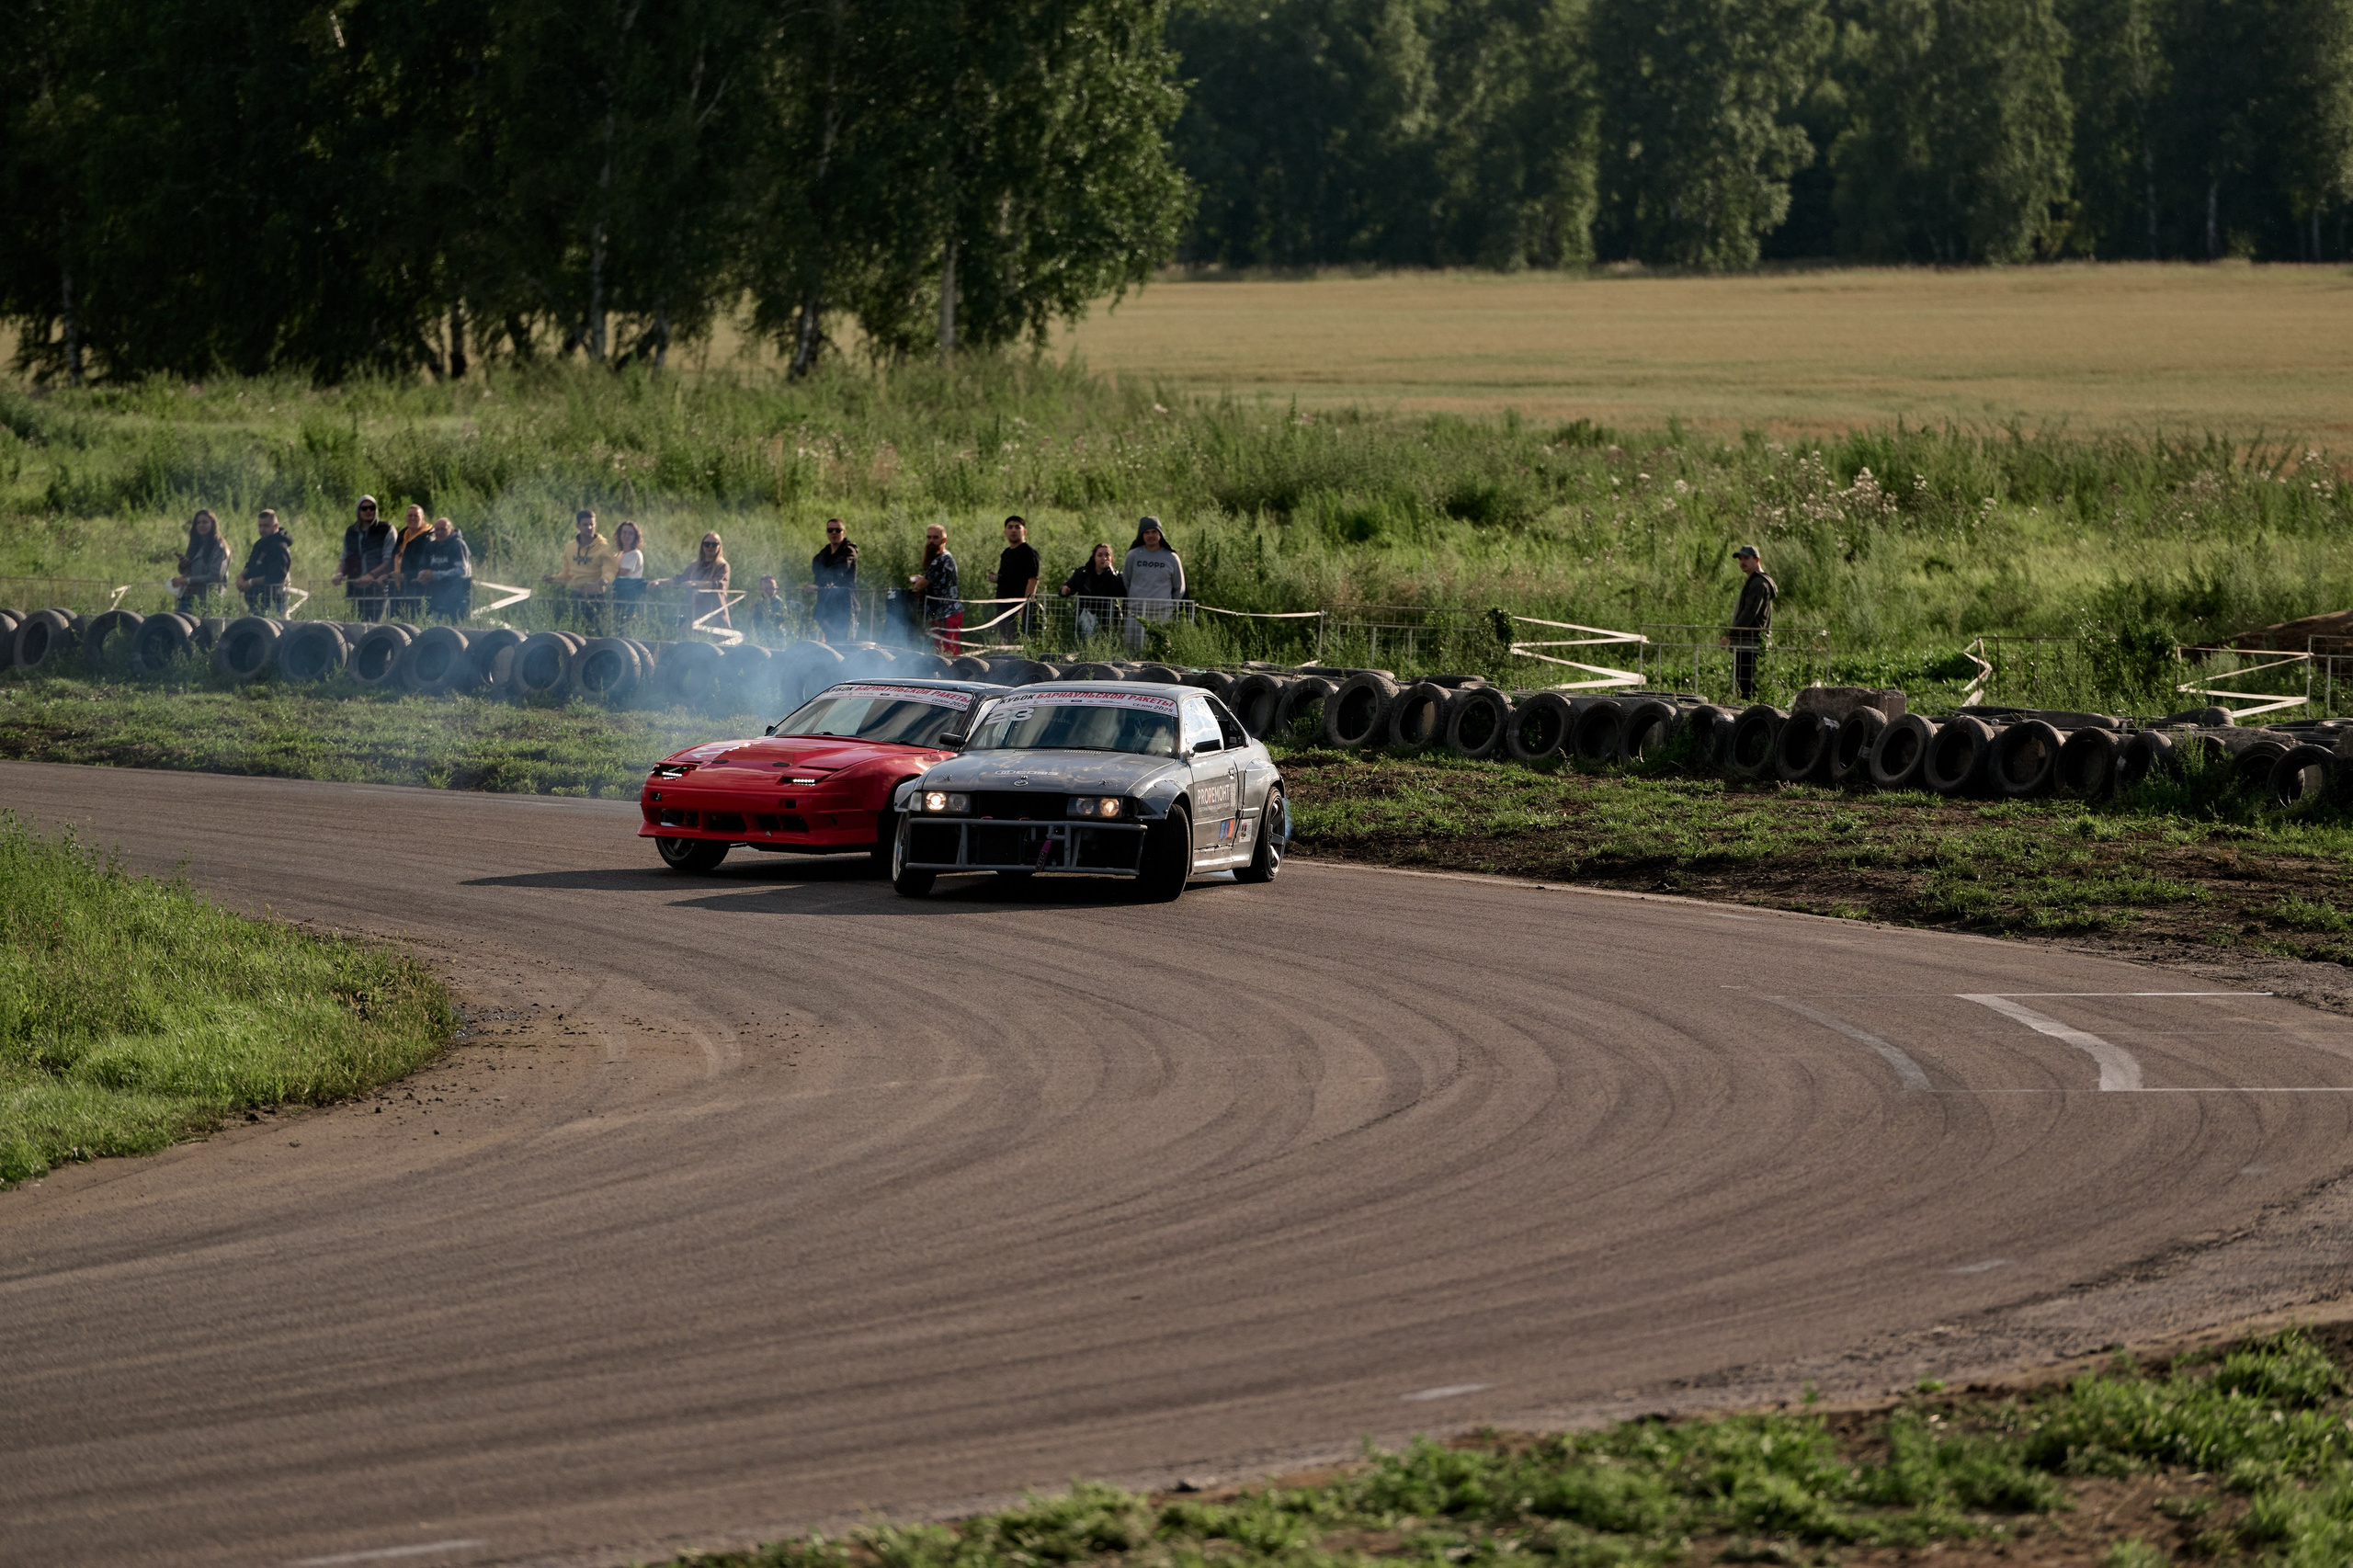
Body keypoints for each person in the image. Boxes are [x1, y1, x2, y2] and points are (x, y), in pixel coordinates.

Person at [543, 509, 620, 631]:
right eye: (585, 524)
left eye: (592, 524)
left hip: (594, 597)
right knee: (573, 630)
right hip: (575, 594)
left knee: (593, 630)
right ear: (578, 526)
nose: (589, 527)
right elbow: (566, 573)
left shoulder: (604, 548)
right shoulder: (570, 547)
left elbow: (610, 570)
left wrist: (604, 579)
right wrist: (553, 578)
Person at [1120, 516, 1185, 650]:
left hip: (1161, 615)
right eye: (1146, 532)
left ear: (1160, 533)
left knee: (1159, 651)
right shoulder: (1133, 555)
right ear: (1141, 535)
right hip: (1136, 614)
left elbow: (1179, 587)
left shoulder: (1172, 558)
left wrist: (1169, 607)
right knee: (1132, 651)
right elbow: (1126, 581)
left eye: (1154, 532)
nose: (1151, 535)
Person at [1725, 544, 1778, 700]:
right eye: (1740, 559)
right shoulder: (1754, 582)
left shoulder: (1759, 583)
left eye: (1746, 558)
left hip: (1751, 642)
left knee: (1746, 683)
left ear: (1757, 560)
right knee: (1743, 681)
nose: (1742, 562)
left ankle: (1750, 713)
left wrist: (1731, 634)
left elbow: (1749, 613)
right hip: (1747, 641)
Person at [335, 495, 398, 621]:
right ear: (358, 511)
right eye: (364, 508)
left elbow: (389, 560)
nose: (368, 511)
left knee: (372, 626)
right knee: (354, 626)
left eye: (372, 508)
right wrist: (339, 573)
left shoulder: (386, 529)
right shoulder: (350, 531)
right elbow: (345, 557)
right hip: (354, 587)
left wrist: (371, 575)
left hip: (377, 587)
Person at [405, 515, 474, 622]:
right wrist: (422, 575)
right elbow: (422, 565)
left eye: (443, 529)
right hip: (435, 596)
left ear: (451, 531)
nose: (439, 533)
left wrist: (436, 575)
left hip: (457, 597)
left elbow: (462, 571)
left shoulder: (458, 545)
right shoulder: (431, 546)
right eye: (437, 530)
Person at [658, 531, 732, 630]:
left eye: (714, 544)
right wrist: (659, 582)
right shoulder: (695, 566)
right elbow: (680, 579)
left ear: (719, 546)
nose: (710, 547)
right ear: (702, 546)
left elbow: (718, 584)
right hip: (694, 614)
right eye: (707, 544)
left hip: (714, 615)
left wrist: (695, 583)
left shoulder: (722, 566)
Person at [908, 523, 961, 654]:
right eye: (929, 537)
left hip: (947, 613)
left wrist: (918, 582)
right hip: (942, 612)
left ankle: (954, 675)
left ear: (944, 540)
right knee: (943, 651)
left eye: (935, 538)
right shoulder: (942, 558)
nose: (931, 541)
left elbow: (919, 586)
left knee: (949, 652)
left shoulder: (942, 559)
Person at [985, 514, 1040, 636]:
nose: (1013, 530)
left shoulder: (1029, 552)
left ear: (1024, 531)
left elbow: (1033, 581)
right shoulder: (1006, 553)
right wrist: (996, 578)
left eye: (1017, 527)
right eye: (1010, 527)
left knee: (1018, 643)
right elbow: (1009, 578)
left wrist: (1024, 607)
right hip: (1003, 606)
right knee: (1005, 643)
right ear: (1005, 532)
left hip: (1019, 608)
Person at [1059, 541, 1125, 642]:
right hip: (1086, 615)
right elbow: (1069, 585)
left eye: (1107, 555)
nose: (1104, 558)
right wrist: (1064, 589)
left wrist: (1109, 572)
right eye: (1100, 555)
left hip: (1108, 618)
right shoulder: (1083, 573)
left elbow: (1120, 591)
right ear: (1094, 558)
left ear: (1112, 559)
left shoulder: (1116, 575)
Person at [172, 509, 233, 614]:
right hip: (188, 596)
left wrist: (186, 580)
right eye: (198, 523)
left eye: (205, 522)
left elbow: (215, 576)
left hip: (209, 600)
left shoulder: (219, 546)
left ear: (213, 524)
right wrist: (183, 565)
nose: (201, 525)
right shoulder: (196, 544)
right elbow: (187, 571)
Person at [806, 517, 858, 642]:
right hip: (826, 603)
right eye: (830, 530)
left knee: (842, 642)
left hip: (844, 603)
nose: (834, 533)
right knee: (826, 641)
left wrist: (820, 585)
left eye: (837, 530)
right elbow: (816, 567)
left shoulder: (849, 550)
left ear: (844, 532)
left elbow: (839, 570)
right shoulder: (824, 553)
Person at [236, 509, 293, 614]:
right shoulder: (259, 544)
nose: (262, 529)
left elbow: (276, 577)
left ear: (275, 527)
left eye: (266, 526)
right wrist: (241, 576)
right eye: (260, 526)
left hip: (274, 603)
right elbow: (251, 564)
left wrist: (250, 582)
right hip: (255, 600)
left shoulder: (280, 548)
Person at [387, 503, 434, 620]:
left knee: (415, 622)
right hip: (398, 588)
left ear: (422, 519)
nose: (412, 518)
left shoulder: (428, 537)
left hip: (417, 589)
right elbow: (394, 556)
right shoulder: (403, 534)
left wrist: (407, 576)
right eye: (410, 516)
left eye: (416, 516)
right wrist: (388, 574)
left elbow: (427, 564)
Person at [611, 521, 647, 628]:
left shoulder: (634, 554)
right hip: (620, 595)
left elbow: (620, 574)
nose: (627, 536)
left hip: (629, 596)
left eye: (630, 533)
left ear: (635, 536)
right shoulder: (621, 554)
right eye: (624, 532)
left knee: (625, 624)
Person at [744, 575, 790, 643]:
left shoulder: (780, 602)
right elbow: (754, 622)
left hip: (777, 636)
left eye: (771, 588)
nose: (769, 591)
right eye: (765, 588)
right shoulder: (759, 603)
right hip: (761, 636)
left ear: (776, 588)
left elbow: (783, 618)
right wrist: (754, 611)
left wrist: (770, 614)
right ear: (761, 589)